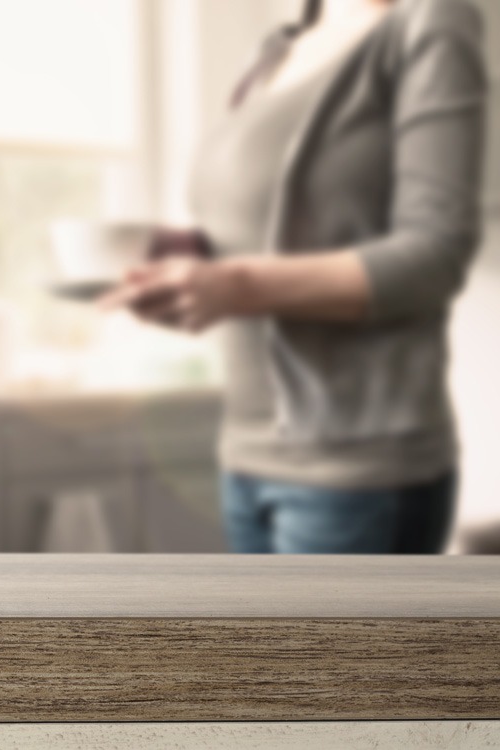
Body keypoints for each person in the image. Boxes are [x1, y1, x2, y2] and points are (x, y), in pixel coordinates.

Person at [103, 0, 489, 554]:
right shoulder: (276, 49)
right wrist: (173, 278)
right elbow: (255, 237)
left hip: (357, 473)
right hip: (246, 453)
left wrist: (233, 286)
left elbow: (435, 255)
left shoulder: (432, 23)